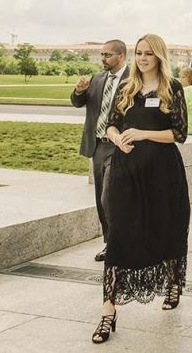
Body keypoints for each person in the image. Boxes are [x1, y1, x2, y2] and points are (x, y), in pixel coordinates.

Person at [92, 34, 190, 344]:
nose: (143, 58)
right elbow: (109, 123)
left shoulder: (171, 88)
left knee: (168, 228)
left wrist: (143, 132)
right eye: (139, 53)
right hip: (127, 171)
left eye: (148, 53)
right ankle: (108, 312)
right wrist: (117, 137)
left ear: (159, 56)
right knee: (119, 235)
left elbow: (180, 133)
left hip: (162, 173)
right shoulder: (126, 88)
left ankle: (173, 281)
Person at [70, 40, 128, 262]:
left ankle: (118, 243)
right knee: (100, 197)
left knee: (108, 196)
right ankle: (109, 242)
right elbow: (78, 103)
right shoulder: (97, 78)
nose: (102, 59)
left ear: (121, 55)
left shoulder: (133, 79)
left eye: (107, 55)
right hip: (98, 145)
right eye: (101, 54)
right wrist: (78, 91)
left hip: (120, 145)